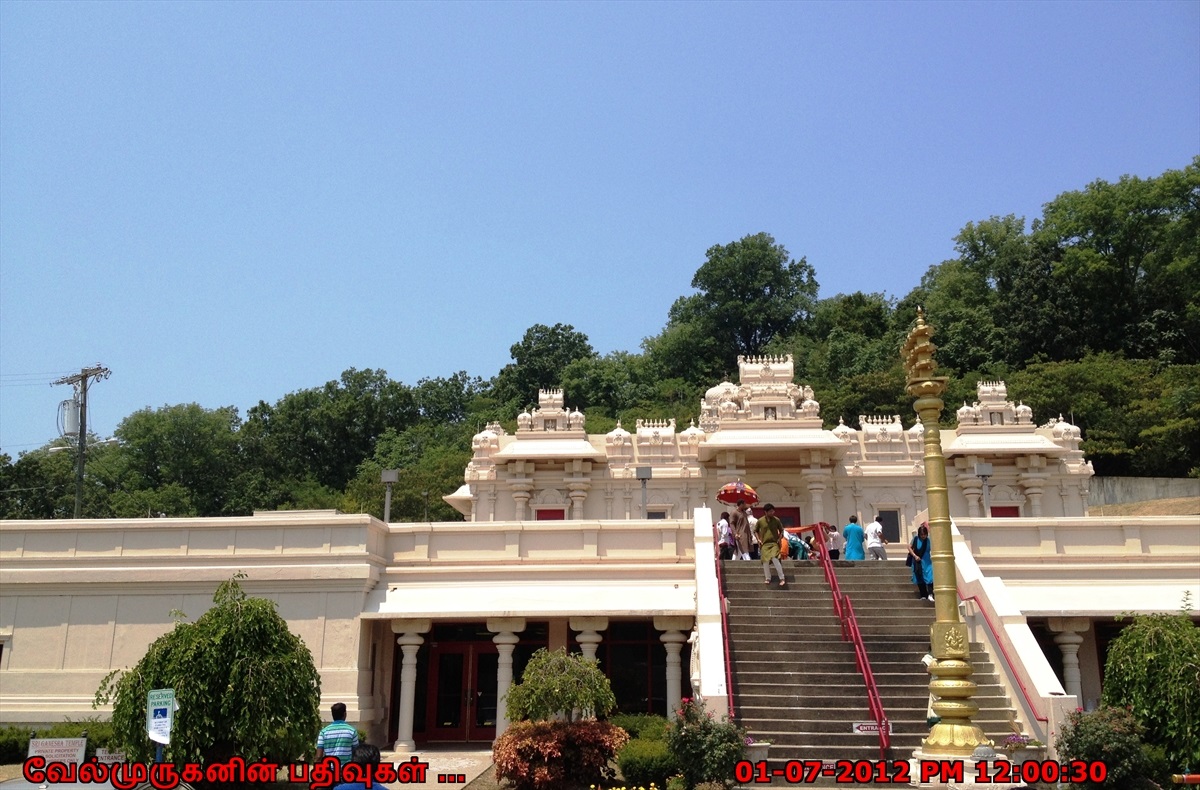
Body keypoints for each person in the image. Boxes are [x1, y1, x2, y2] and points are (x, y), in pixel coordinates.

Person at [755, 503, 786, 587]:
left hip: (774, 543)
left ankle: (782, 578)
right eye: (771, 511)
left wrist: (780, 538)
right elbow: (755, 530)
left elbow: (781, 530)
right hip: (764, 544)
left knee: (775, 558)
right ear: (766, 512)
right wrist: (758, 539)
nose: (772, 513)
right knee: (765, 561)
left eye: (773, 511)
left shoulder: (776, 520)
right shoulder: (760, 521)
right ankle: (768, 578)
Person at [908, 523, 934, 601]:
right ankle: (923, 595)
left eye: (924, 534)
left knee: (929, 577)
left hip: (926, 561)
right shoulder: (915, 539)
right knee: (919, 577)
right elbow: (909, 547)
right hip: (917, 561)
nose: (923, 536)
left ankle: (930, 594)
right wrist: (915, 556)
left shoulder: (928, 540)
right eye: (921, 534)